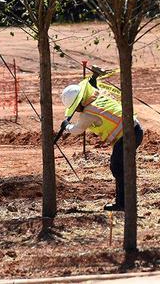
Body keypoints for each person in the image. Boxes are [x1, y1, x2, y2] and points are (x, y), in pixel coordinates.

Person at [59, 67, 143, 212]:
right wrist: (93, 77)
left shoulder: (87, 114)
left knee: (118, 168)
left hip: (127, 136)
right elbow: (93, 85)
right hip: (135, 130)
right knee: (121, 168)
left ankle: (124, 204)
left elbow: (77, 130)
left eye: (75, 108)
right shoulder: (96, 96)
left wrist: (66, 126)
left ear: (79, 103)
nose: (76, 111)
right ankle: (126, 202)